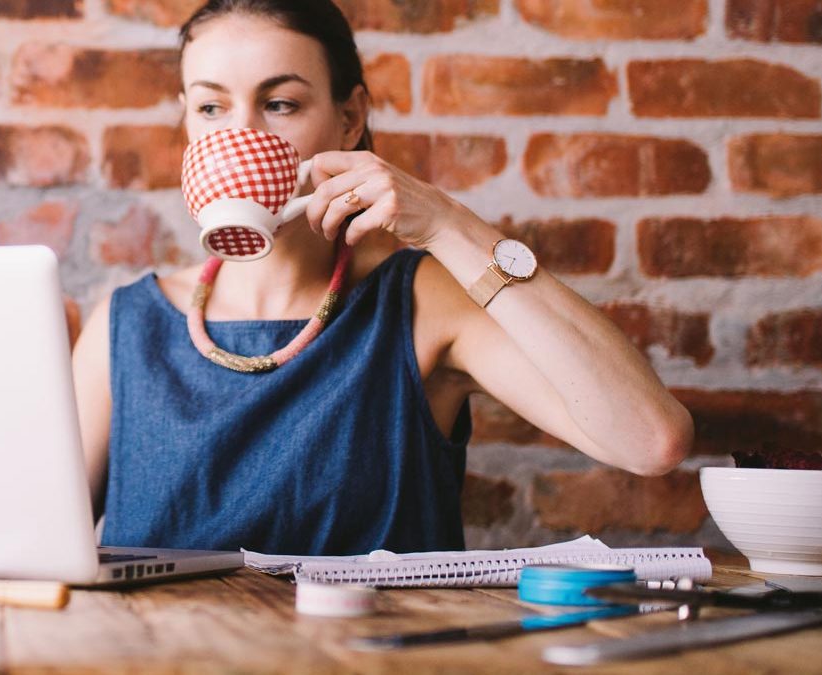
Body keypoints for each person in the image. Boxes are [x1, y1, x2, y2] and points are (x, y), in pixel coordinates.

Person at [72, 0, 694, 556]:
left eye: (280, 103)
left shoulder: (423, 304)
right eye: (211, 107)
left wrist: (449, 225)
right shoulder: (125, 324)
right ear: (187, 122)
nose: (241, 136)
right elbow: (28, 540)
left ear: (350, 118)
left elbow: (650, 440)